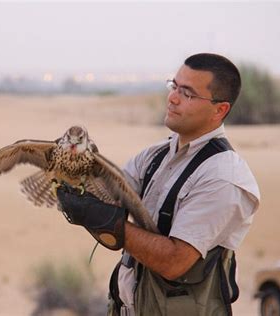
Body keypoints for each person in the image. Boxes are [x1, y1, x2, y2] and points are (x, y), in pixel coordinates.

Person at [57, 53, 260, 316]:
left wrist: (109, 223)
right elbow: (104, 197)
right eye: (173, 86)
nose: (172, 98)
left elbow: (174, 261)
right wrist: (73, 175)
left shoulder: (223, 176)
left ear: (220, 109)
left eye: (187, 94)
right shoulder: (155, 156)